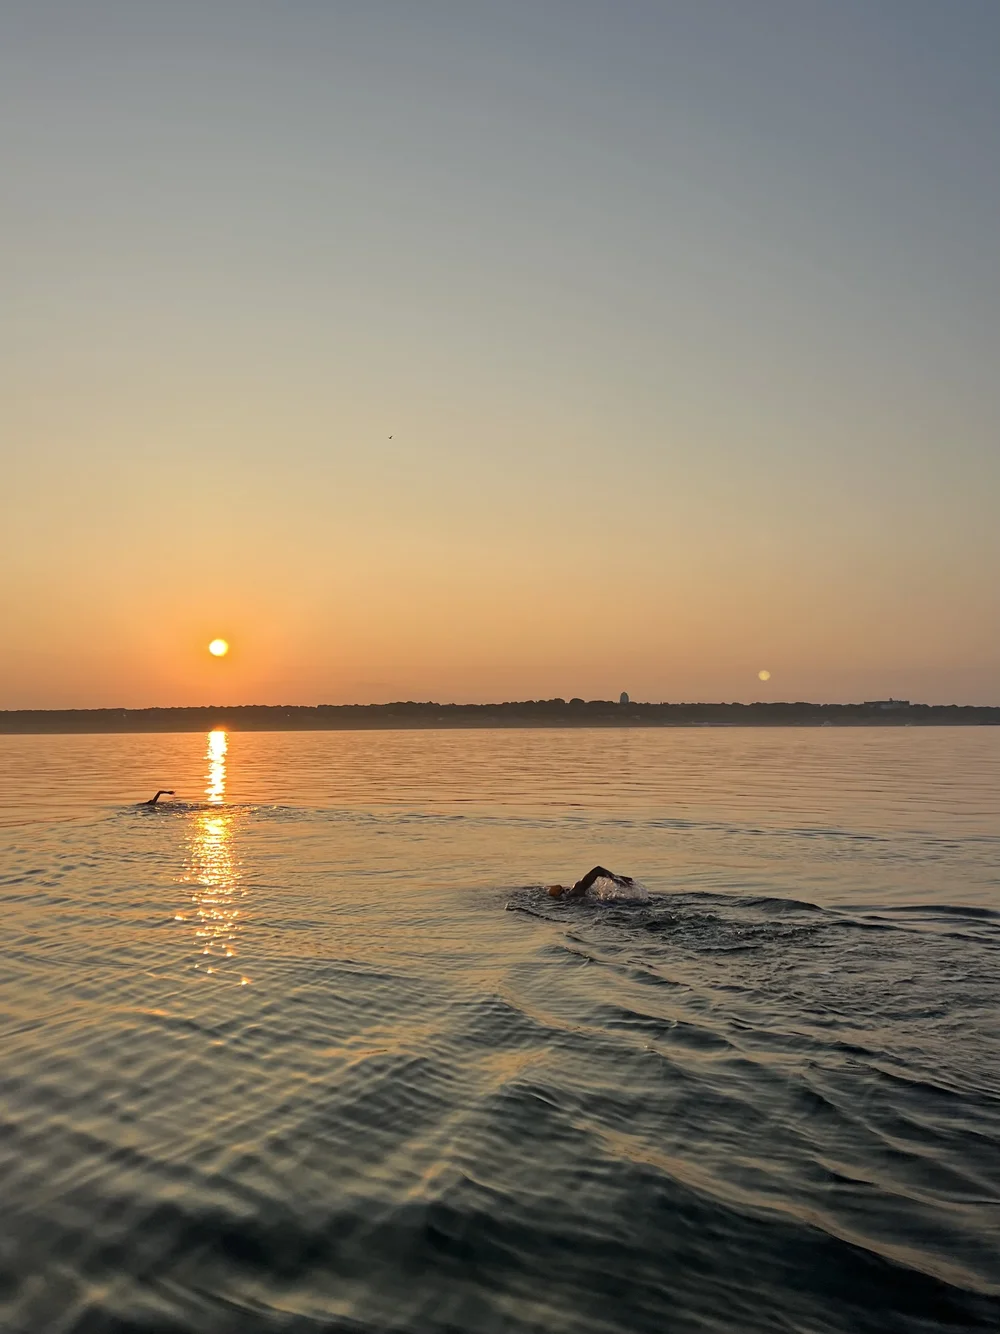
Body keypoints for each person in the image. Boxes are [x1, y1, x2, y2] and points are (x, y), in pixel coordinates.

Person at [547, 866, 635, 899]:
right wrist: (617, 879)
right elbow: (597, 870)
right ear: (563, 890)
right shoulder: (576, 889)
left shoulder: (568, 900)